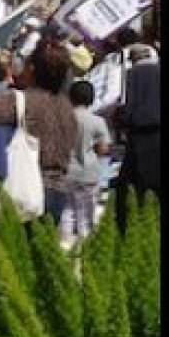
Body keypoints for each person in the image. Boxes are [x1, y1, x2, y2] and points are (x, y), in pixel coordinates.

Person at [0, 39, 78, 225]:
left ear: (32, 68)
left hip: (20, 190)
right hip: (57, 191)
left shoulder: (15, 101)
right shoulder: (67, 108)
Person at [113, 43, 160, 232]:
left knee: (135, 190)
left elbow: (128, 108)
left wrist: (121, 120)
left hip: (139, 139)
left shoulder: (132, 75)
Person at [63, 79, 113, 245]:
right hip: (89, 172)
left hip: (67, 171)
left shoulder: (64, 119)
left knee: (68, 211)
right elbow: (104, 148)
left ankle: (65, 245)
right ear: (91, 99)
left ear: (70, 98)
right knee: (87, 214)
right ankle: (85, 247)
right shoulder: (97, 121)